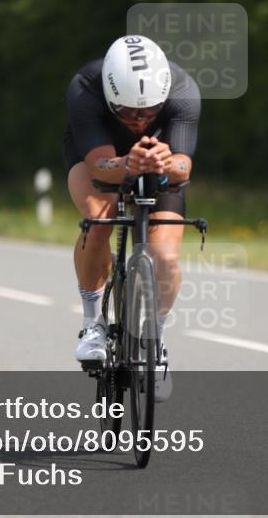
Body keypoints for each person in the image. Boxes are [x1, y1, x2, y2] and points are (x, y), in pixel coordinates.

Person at [64, 35, 201, 402]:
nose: (140, 122)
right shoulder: (86, 89)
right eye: (127, 112)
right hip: (101, 158)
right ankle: (92, 323)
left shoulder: (183, 90)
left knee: (166, 255)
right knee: (99, 222)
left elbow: (184, 166)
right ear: (111, 99)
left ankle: (155, 342)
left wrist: (164, 164)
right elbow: (98, 165)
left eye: (150, 112)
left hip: (160, 166)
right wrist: (127, 164)